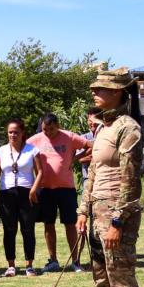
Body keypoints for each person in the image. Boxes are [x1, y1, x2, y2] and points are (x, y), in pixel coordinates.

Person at [75, 67, 144, 287]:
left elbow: (130, 179)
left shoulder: (128, 128)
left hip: (115, 213)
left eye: (100, 88)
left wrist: (117, 221)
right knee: (101, 280)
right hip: (95, 213)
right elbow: (93, 172)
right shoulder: (103, 127)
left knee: (121, 281)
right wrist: (83, 211)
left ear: (117, 92)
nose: (93, 91)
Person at [27, 113, 91, 273]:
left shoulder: (68, 137)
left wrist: (74, 158)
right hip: (45, 189)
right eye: (45, 129)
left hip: (66, 188)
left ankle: (75, 261)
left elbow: (89, 146)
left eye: (51, 129)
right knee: (49, 224)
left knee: (70, 224)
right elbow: (23, 152)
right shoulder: (35, 140)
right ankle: (53, 260)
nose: (48, 132)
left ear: (58, 126)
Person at [0, 118, 43, 277]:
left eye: (16, 132)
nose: (13, 135)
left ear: (22, 133)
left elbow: (40, 172)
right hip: (7, 194)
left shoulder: (32, 150)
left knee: (28, 229)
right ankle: (11, 265)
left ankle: (29, 265)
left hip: (26, 193)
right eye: (10, 132)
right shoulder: (0, 152)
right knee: (9, 230)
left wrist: (34, 190)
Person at [76, 106, 103, 190]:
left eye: (95, 120)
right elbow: (81, 159)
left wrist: (91, 156)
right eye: (90, 121)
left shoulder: (106, 136)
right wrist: (99, 155)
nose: (92, 123)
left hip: (103, 179)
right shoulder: (83, 138)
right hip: (87, 179)